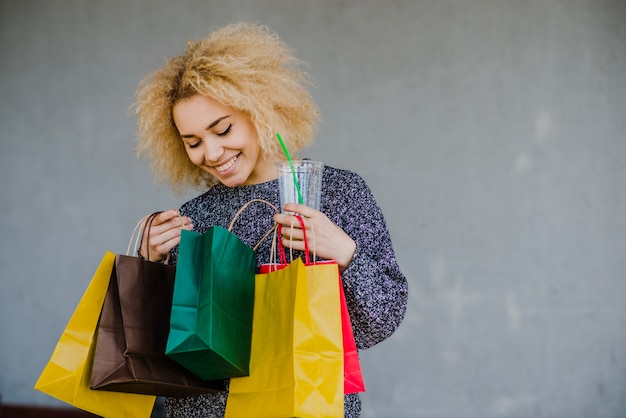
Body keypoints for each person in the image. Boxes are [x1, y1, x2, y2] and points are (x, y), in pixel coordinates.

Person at [134, 22, 408, 418]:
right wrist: (150, 266)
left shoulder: (337, 193)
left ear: (260, 108)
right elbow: (159, 348)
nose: (210, 152)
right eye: (192, 142)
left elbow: (380, 323)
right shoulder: (192, 219)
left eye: (222, 129)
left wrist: (344, 254)